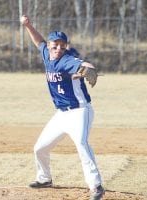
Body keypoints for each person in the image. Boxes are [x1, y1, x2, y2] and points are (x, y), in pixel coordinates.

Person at [20, 15, 105, 200]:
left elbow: (83, 64)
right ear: (50, 46)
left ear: (66, 46)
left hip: (80, 111)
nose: (58, 48)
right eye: (55, 45)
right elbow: (38, 41)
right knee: (40, 148)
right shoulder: (46, 53)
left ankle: (96, 186)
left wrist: (89, 69)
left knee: (82, 144)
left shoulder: (67, 60)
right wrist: (28, 25)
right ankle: (45, 179)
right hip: (61, 114)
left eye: (62, 45)